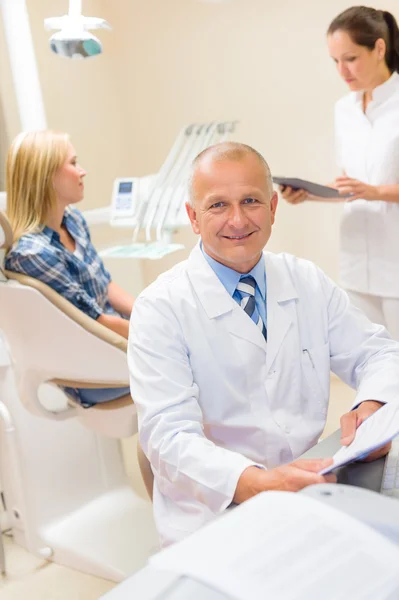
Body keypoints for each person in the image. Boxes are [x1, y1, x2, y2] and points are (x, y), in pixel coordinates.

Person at [128, 142, 398, 547]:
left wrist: (371, 407)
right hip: (215, 513)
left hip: (310, 487)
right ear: (193, 218)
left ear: (273, 208)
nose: (237, 219)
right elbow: (168, 438)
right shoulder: (159, 308)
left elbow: (377, 352)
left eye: (251, 200)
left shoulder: (305, 279)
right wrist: (258, 482)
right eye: (218, 205)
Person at [281, 6, 399, 339]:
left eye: (350, 59)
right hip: (356, 262)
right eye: (335, 61)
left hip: (396, 259)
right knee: (371, 360)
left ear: (378, 48)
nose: (342, 71)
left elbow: (370, 189)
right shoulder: (344, 109)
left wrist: (376, 191)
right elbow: (352, 185)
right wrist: (312, 194)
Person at [5, 129, 134, 406]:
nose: (82, 171)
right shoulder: (33, 254)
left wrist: (148, 313)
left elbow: (105, 282)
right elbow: (93, 322)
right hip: (94, 367)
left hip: (115, 345)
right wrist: (158, 333)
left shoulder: (72, 219)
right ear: (46, 176)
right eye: (73, 163)